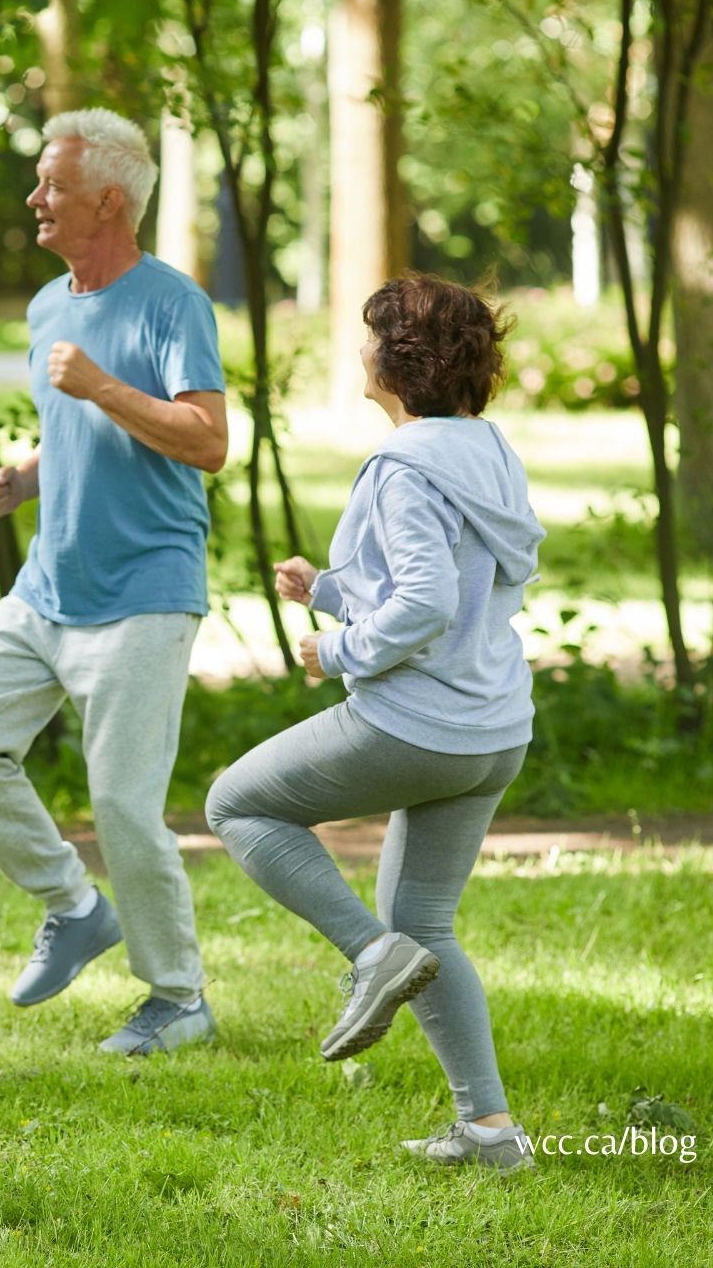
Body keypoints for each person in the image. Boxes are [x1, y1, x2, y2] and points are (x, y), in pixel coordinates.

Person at [204, 274, 545, 1171]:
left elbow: (427, 601)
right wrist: (326, 586)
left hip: (421, 726)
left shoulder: (402, 467)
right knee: (428, 924)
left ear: (398, 361)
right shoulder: (484, 447)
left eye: (366, 338)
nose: (358, 351)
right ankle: (491, 1133)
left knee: (237, 804)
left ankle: (369, 955)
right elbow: (460, 579)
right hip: (495, 729)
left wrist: (338, 645)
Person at [0, 109, 228, 1055]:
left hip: (146, 588)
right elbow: (79, 433)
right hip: (51, 586)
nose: (34, 199)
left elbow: (207, 440)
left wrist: (98, 387)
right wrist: (26, 474)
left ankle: (180, 999)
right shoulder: (51, 307)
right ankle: (72, 903)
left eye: (50, 185)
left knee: (126, 805)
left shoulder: (174, 303)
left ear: (108, 200)